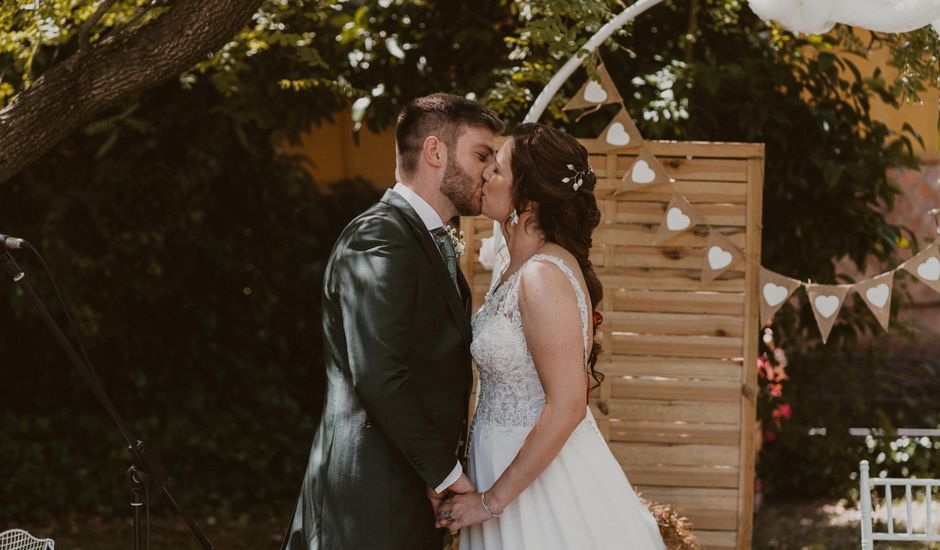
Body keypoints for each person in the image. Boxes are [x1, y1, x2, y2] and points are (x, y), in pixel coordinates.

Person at [281, 93, 504, 550]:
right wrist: (446, 473)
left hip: (407, 491)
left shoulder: (427, 241)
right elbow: (380, 374)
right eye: (481, 154)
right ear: (435, 151)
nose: (488, 170)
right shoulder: (379, 237)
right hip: (368, 500)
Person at [435, 123, 667, 549]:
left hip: (539, 484)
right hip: (499, 465)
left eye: (498, 169)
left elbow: (567, 405)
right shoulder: (514, 265)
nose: (485, 174)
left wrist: (491, 501)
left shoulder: (542, 275)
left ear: (528, 198)